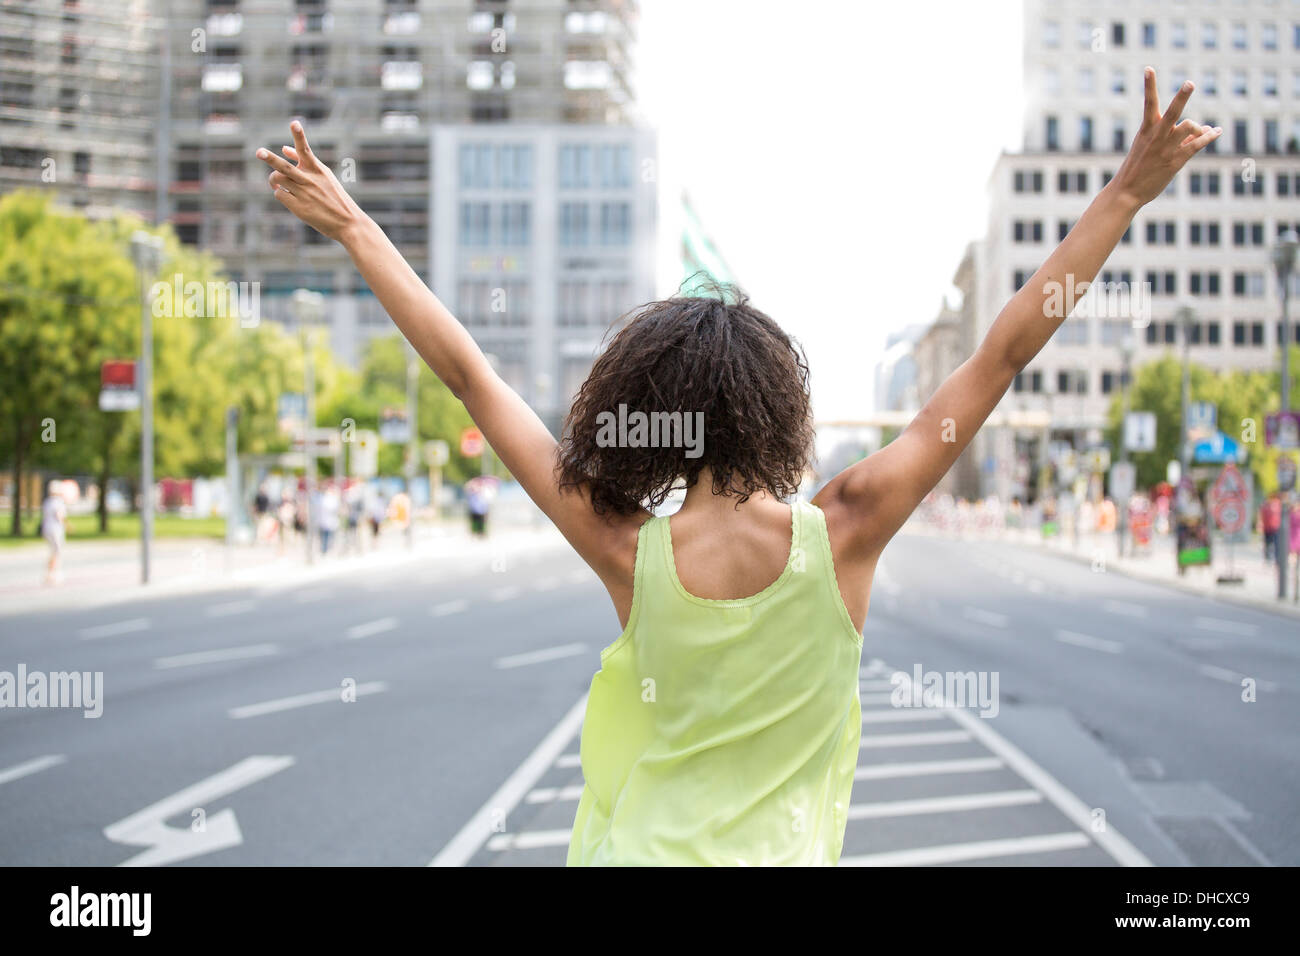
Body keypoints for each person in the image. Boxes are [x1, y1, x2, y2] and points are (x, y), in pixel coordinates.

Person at [256, 72, 1218, 865]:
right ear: (781, 409)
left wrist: (355, 229)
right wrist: (1125, 194)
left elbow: (470, 377)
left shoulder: (628, 548)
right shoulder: (847, 529)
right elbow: (1000, 357)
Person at [40, 480, 68, 586]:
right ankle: (54, 573)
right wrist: (67, 525)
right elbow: (59, 515)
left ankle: (49, 573)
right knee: (57, 552)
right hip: (56, 529)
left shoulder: (47, 501)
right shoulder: (58, 502)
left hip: (47, 528)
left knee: (52, 551)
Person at [1260, 491, 1281, 563]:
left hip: (1275, 527)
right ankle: (1268, 557)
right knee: (1268, 543)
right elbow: (1262, 515)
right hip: (1268, 527)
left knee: (1275, 543)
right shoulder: (1266, 505)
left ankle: (1275, 557)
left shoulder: (1278, 504)